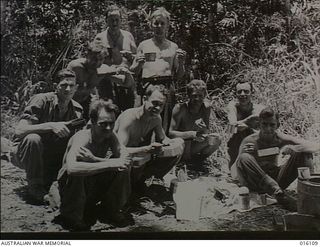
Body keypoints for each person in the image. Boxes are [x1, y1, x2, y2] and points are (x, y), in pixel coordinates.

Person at [55, 100, 133, 231]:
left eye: (112, 123)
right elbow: (72, 169)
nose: (108, 128)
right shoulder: (82, 138)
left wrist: (95, 159)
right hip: (71, 189)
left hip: (92, 186)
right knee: (81, 168)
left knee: (123, 168)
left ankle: (111, 210)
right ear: (92, 121)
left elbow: (124, 157)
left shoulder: (110, 135)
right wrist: (111, 164)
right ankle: (72, 216)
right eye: (103, 124)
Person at [11, 69, 83, 204]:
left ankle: (59, 180)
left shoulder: (77, 110)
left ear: (76, 87)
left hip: (51, 156)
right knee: (33, 138)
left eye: (71, 85)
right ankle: (35, 187)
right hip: (25, 153)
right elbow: (19, 131)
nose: (68, 89)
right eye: (63, 85)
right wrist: (51, 126)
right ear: (56, 85)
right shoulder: (41, 100)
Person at [231, 107, 317, 211]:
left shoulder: (280, 138)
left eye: (272, 125)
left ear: (277, 125)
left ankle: (310, 192)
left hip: (276, 181)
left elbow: (314, 146)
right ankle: (279, 195)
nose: (268, 129)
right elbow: (237, 168)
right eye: (264, 124)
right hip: (255, 183)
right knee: (244, 157)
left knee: (304, 152)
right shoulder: (250, 141)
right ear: (259, 125)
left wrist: (293, 148)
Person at [114, 84, 184, 194]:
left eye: (161, 105)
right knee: (127, 161)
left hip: (139, 155)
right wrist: (147, 149)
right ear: (144, 99)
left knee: (178, 146)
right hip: (120, 159)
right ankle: (126, 194)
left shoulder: (156, 118)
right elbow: (119, 151)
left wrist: (173, 143)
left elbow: (163, 138)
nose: (157, 108)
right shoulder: (129, 119)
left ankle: (142, 180)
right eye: (155, 103)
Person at [130, 7, 186, 133]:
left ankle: (162, 149)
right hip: (147, 85)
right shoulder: (144, 45)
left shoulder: (173, 47)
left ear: (168, 26)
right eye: (156, 23)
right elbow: (133, 71)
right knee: (144, 120)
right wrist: (139, 64)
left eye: (162, 23)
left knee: (165, 122)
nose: (159, 26)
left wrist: (182, 63)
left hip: (167, 86)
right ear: (151, 25)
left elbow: (179, 75)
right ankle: (143, 148)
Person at [168, 80, 221, 170]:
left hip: (194, 146)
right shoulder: (180, 109)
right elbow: (170, 134)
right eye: (194, 96)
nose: (197, 99)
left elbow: (206, 131)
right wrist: (191, 134)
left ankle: (196, 163)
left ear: (204, 96)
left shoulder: (206, 108)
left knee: (217, 139)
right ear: (188, 96)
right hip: (181, 146)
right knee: (186, 137)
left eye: (200, 96)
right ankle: (182, 163)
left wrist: (204, 129)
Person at [94, 5, 137, 111]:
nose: (114, 23)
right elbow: (93, 63)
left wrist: (130, 56)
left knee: (127, 115)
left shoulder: (128, 36)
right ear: (106, 21)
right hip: (107, 83)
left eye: (117, 20)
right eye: (111, 20)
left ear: (121, 20)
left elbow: (137, 59)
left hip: (125, 81)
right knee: (108, 114)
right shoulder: (100, 37)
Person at [226, 81, 265, 169]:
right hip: (236, 144)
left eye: (246, 91)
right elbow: (230, 128)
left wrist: (245, 126)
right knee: (235, 131)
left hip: (255, 144)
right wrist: (248, 120)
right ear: (235, 94)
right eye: (239, 91)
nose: (242, 94)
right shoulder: (232, 106)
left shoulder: (259, 108)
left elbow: (265, 132)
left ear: (252, 93)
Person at [67, 41, 108, 119]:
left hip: (86, 103)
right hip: (69, 103)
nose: (97, 62)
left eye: (101, 59)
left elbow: (124, 81)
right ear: (87, 55)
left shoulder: (103, 69)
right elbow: (64, 86)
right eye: (94, 59)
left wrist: (123, 72)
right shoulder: (76, 67)